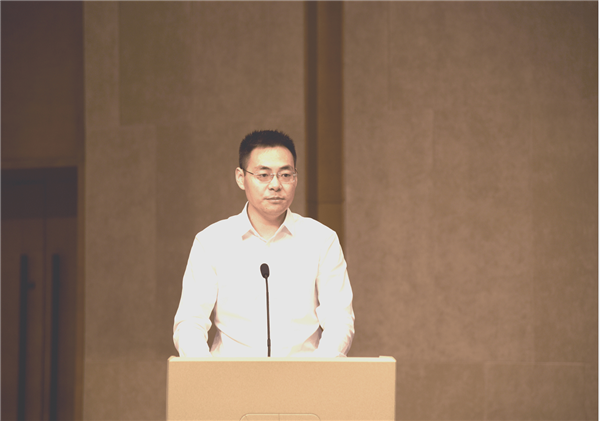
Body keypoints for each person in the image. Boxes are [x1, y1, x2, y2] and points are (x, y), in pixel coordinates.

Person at [173, 130, 354, 357]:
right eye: (264, 175)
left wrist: (317, 370)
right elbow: (190, 322)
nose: (275, 184)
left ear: (296, 178)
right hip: (231, 376)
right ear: (241, 177)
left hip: (304, 375)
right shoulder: (211, 242)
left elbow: (339, 319)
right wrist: (208, 373)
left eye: (285, 174)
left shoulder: (321, 239)